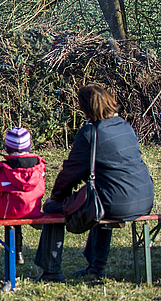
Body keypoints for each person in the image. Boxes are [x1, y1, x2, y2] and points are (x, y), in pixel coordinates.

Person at [34, 84, 154, 282]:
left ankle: (51, 271)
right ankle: (96, 266)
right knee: (100, 197)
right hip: (144, 199)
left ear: (86, 109)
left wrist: (55, 197)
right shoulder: (125, 126)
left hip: (116, 203)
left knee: (54, 210)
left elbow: (70, 173)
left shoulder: (90, 134)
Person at [0, 127, 46, 265]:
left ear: (7, 148)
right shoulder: (39, 166)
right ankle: (18, 253)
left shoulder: (5, 168)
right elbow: (42, 188)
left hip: (10, 210)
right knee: (15, 215)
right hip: (33, 210)